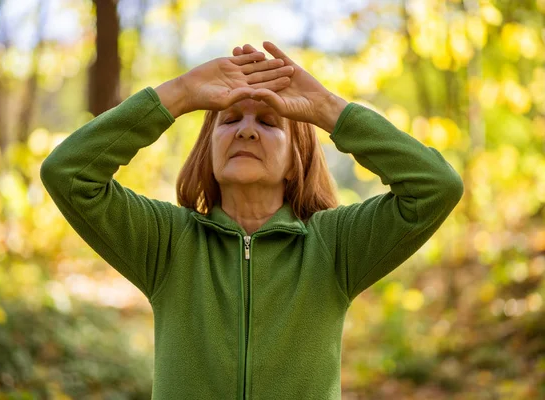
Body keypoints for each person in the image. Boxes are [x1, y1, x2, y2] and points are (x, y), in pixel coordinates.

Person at [40, 41, 464, 400]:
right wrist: (182, 94)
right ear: (208, 150)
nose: (245, 131)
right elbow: (69, 174)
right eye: (229, 120)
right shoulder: (167, 242)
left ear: (296, 161)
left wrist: (326, 108)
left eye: (267, 122)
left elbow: (435, 187)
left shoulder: (335, 247)